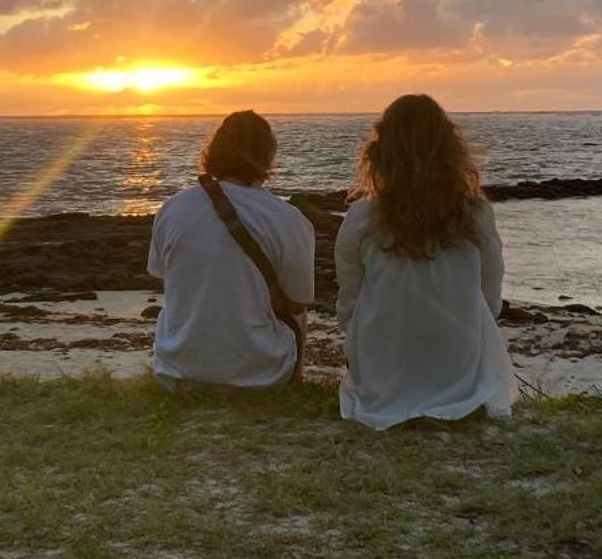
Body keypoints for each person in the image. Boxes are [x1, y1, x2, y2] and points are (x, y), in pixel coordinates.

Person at [335, 94, 514, 429]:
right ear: (450, 150)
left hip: (383, 372)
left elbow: (349, 305)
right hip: (459, 365)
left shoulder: (362, 216)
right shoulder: (474, 212)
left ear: (381, 152)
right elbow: (490, 296)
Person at [146, 110, 315, 389]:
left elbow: (162, 275)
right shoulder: (288, 218)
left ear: (213, 150)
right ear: (268, 156)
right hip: (262, 376)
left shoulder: (173, 208)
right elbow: (298, 299)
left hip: (176, 371)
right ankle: (294, 381)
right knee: (297, 309)